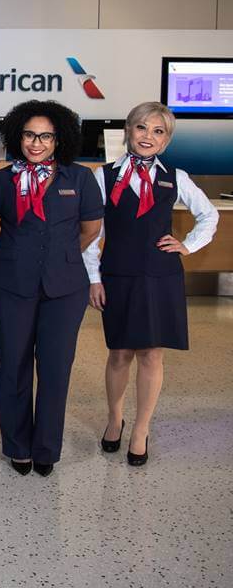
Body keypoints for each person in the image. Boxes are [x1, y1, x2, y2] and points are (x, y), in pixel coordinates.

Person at [84, 102, 217, 467]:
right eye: (142, 128)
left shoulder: (176, 177)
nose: (148, 136)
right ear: (129, 130)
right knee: (119, 353)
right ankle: (115, 419)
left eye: (158, 131)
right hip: (118, 274)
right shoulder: (104, 175)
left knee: (151, 354)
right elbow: (93, 235)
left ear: (166, 140)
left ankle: (141, 429)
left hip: (160, 276)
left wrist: (187, 245)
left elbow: (209, 214)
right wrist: (93, 278)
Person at [0, 100, 103, 476]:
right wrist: (4, 258)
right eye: (30, 134)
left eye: (46, 136)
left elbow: (91, 230)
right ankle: (18, 446)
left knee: (56, 368)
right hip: (10, 286)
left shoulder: (79, 178)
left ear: (58, 139)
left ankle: (46, 448)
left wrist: (62, 257)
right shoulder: (2, 179)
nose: (37, 143)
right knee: (13, 365)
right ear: (18, 136)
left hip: (65, 288)